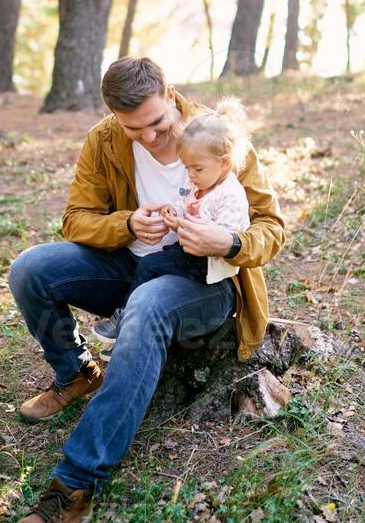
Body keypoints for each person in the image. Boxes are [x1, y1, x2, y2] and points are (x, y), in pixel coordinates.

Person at [0, 57, 285, 523]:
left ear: (170, 94)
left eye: (158, 124)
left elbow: (271, 227)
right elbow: (76, 219)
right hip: (125, 268)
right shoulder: (104, 140)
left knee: (146, 307)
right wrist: (127, 224)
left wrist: (231, 240)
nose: (150, 138)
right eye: (135, 130)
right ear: (114, 118)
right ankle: (76, 372)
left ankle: (75, 486)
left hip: (203, 285)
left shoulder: (218, 136)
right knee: (30, 268)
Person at [91, 97, 252, 356]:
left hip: (208, 265)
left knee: (149, 266)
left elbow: (225, 234)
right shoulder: (201, 184)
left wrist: (184, 225)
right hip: (187, 252)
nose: (192, 175)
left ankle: (127, 326)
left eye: (197, 168)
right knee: (155, 265)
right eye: (188, 168)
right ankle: (128, 327)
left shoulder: (229, 194)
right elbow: (185, 203)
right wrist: (172, 212)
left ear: (223, 163)